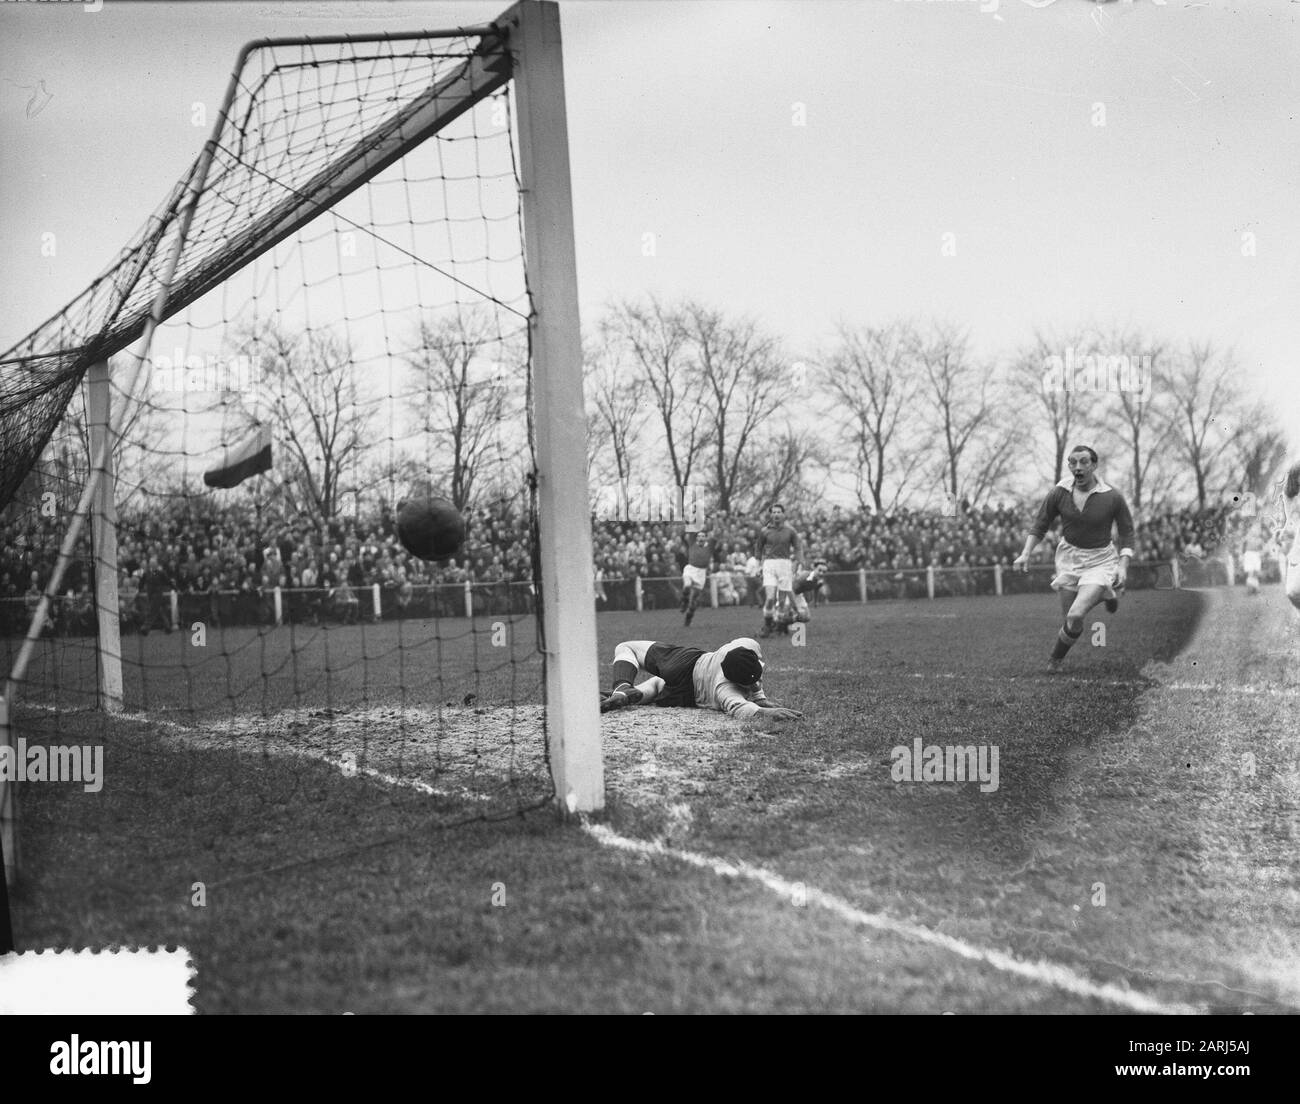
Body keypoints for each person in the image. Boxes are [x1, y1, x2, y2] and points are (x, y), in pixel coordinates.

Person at [1012, 445, 1135, 671]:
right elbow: (1040, 524)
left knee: (1077, 612)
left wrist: (1123, 566)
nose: (1077, 467)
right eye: (1072, 462)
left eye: (1084, 462)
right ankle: (1105, 594)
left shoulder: (1112, 496)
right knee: (1071, 621)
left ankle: (1055, 661)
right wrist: (1026, 553)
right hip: (1068, 558)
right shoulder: (1059, 492)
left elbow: (1127, 532)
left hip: (1100, 560)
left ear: (1094, 465)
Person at [599, 636, 802, 722]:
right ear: (735, 682)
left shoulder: (744, 645)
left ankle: (624, 689)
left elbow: (751, 686)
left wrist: (760, 697)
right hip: (687, 695)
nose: (757, 684)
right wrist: (767, 710)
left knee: (627, 648)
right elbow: (742, 709)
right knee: (659, 688)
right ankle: (630, 691)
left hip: (685, 663)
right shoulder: (724, 689)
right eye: (750, 684)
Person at [754, 503, 801, 638]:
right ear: (770, 515)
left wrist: (797, 563)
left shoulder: (790, 531)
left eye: (779, 512)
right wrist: (758, 565)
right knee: (769, 598)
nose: (776, 514)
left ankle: (779, 626)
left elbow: (798, 548)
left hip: (785, 565)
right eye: (773, 512)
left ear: (783, 514)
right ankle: (767, 626)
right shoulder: (765, 531)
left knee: (781, 602)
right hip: (769, 564)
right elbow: (758, 548)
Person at [679, 522, 719, 627]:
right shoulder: (692, 543)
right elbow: (691, 529)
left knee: (694, 600)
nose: (700, 537)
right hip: (690, 568)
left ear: (706, 538)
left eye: (703, 536)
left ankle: (689, 616)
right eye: (699, 536)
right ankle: (684, 602)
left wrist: (715, 521)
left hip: (701, 573)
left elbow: (715, 534)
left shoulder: (709, 546)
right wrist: (693, 515)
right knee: (687, 585)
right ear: (696, 538)